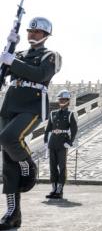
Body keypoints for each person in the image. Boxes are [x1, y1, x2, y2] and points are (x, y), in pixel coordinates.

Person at [0, 17, 61, 229]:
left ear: (45, 35)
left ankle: (29, 164)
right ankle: (12, 213)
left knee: (9, 138)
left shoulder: (51, 56)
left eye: (36, 32)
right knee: (8, 161)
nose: (32, 34)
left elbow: (40, 74)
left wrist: (12, 61)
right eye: (29, 31)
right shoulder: (17, 54)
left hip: (32, 106)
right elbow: (3, 75)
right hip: (10, 105)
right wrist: (9, 46)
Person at [44, 89, 77, 199]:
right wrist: (45, 141)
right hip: (52, 142)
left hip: (63, 143)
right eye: (60, 99)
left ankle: (60, 190)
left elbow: (74, 129)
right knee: (52, 167)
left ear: (68, 101)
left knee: (62, 167)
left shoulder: (70, 114)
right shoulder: (53, 113)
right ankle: (53, 189)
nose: (62, 101)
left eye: (64, 99)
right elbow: (48, 129)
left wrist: (70, 142)